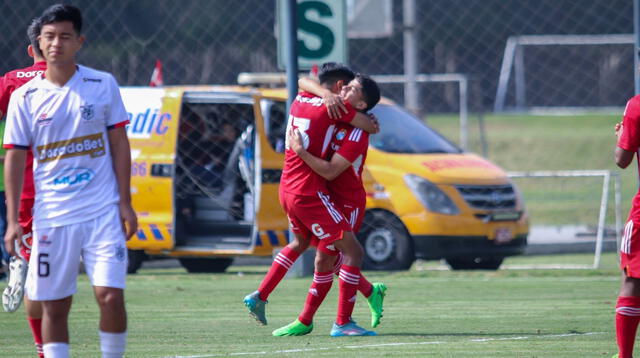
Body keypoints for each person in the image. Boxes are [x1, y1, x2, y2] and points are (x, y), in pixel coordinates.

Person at [3, 5, 137, 358]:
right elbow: (14, 155)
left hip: (102, 212)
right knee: (53, 305)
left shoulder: (101, 84)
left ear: (79, 42)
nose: (56, 44)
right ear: (37, 45)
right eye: (49, 37)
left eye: (64, 37)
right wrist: (13, 218)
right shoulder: (23, 95)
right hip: (51, 214)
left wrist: (125, 202)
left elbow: (120, 144)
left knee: (110, 296)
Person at [243, 62, 379, 337]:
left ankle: (303, 312)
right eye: (347, 85)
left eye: (353, 89)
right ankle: (346, 314)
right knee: (338, 254)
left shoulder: (306, 98)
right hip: (312, 193)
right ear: (338, 86)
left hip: (336, 198)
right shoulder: (334, 109)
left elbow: (305, 81)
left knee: (317, 251)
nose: (346, 91)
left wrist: (364, 120)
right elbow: (367, 124)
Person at [0, 17, 47, 358]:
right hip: (70, 184)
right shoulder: (80, 80)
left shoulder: (14, 81)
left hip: (27, 184)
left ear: (31, 50)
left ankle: (21, 261)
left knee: (37, 261)